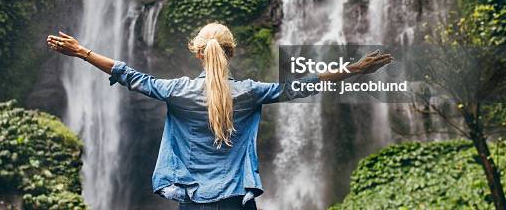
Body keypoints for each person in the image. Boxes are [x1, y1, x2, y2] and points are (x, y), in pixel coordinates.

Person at [47, 22, 392, 209]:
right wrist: (353, 70)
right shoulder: (249, 92)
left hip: (193, 200)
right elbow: (301, 85)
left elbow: (130, 74)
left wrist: (82, 52)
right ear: (231, 52)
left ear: (198, 53)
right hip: (235, 201)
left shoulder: (177, 91)